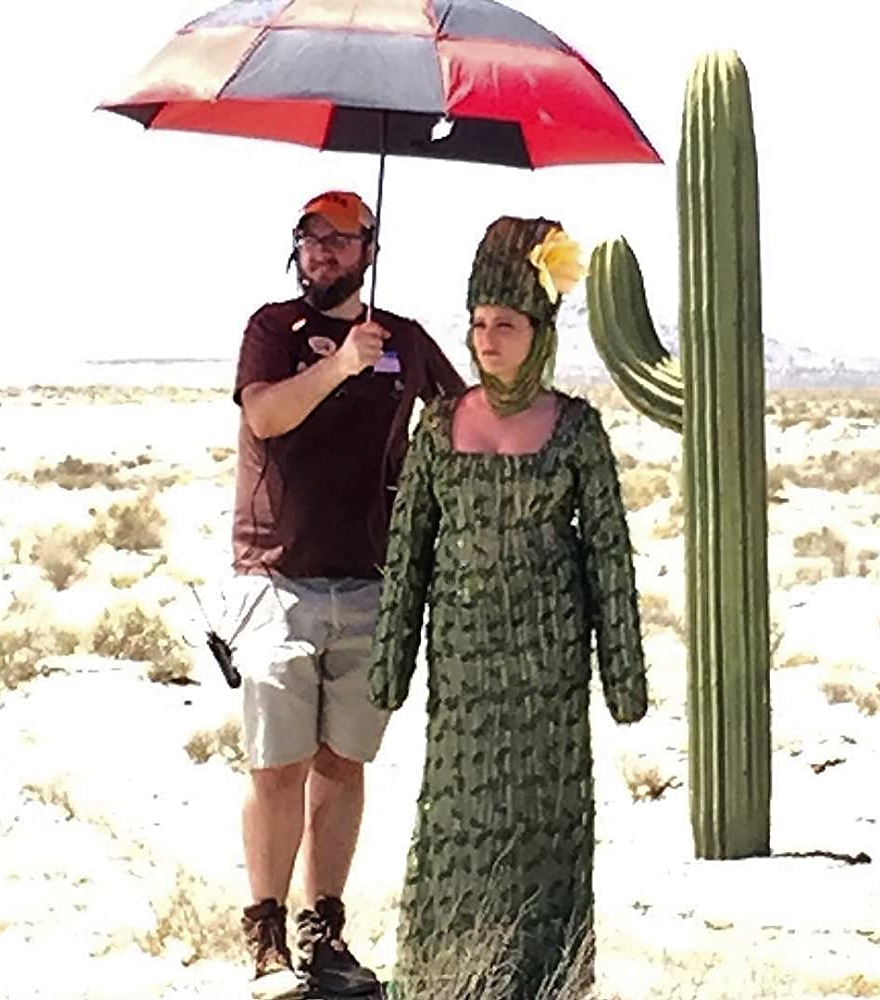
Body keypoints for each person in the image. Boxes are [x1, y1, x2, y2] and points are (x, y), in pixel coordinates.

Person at [369, 216, 649, 999]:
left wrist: (623, 679)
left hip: (549, 665)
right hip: (463, 661)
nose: (486, 340)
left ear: (540, 332)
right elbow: (409, 551)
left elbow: (608, 556)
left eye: (505, 324)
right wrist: (391, 666)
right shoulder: (439, 425)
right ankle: (447, 975)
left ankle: (543, 978)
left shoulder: (576, 429)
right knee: (457, 817)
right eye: (478, 323)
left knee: (545, 821)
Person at [229, 190, 465, 1000]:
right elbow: (265, 416)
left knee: (342, 761)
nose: (323, 250)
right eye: (311, 236)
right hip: (277, 577)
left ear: (370, 248)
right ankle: (265, 940)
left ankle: (323, 933)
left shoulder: (402, 339)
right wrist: (339, 366)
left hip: (372, 582)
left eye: (341, 237)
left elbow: (461, 419)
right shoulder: (273, 330)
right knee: (277, 763)